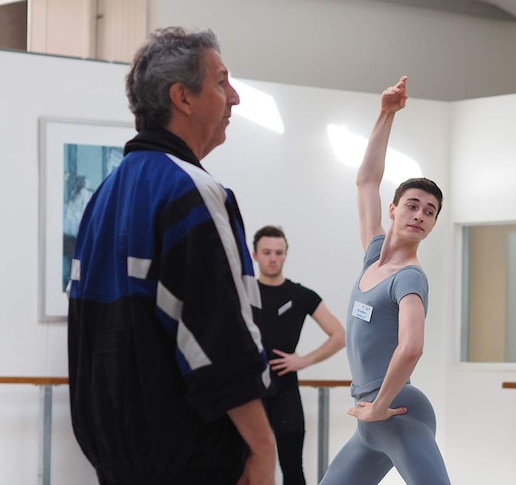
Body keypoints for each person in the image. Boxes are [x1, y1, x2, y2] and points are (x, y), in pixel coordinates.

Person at [67, 27, 276, 485]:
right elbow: (219, 331)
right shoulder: (194, 192)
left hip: (117, 461)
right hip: (190, 458)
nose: (234, 98)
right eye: (222, 82)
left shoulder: (103, 197)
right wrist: (262, 449)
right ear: (183, 97)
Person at [319, 76, 450, 485]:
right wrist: (385, 114)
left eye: (430, 212)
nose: (420, 215)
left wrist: (380, 405)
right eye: (412, 205)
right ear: (393, 210)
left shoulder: (409, 279)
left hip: (398, 413)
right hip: (370, 421)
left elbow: (411, 347)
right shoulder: (373, 254)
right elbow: (367, 181)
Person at [252, 225, 345, 484]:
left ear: (286, 254)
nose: (273, 258)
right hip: (249, 392)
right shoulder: (241, 293)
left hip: (285, 393)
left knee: (293, 468)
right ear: (254, 254)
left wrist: (303, 360)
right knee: (246, 466)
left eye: (279, 252)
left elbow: (339, 335)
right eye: (267, 252)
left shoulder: (300, 295)